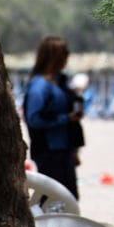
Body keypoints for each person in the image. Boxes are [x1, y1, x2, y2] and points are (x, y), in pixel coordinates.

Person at [23, 36, 83, 199]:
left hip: (64, 149)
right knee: (51, 198)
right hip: (49, 150)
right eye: (64, 53)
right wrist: (65, 118)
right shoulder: (39, 85)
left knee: (68, 197)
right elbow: (34, 118)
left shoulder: (59, 82)